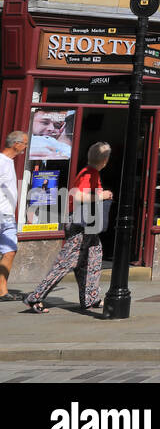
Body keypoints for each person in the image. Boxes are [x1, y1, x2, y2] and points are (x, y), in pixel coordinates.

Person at [25, 141, 113, 313]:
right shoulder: (89, 173)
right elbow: (79, 196)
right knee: (65, 263)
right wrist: (102, 195)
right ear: (105, 160)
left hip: (88, 225)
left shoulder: (89, 172)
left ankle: (91, 297)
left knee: (92, 258)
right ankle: (35, 297)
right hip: (80, 225)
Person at [0, 131, 28, 302]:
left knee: (10, 251)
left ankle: (2, 291)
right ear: (15, 144)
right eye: (24, 143)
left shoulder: (9, 162)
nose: (25, 147)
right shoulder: (1, 161)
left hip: (7, 216)